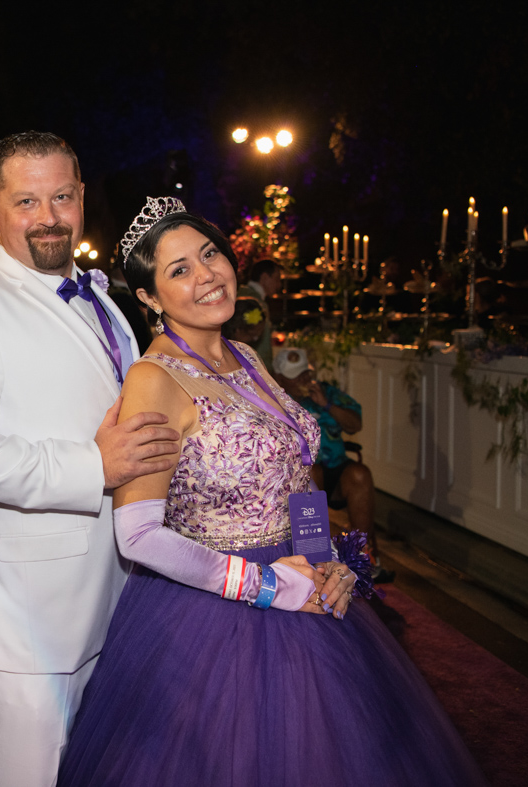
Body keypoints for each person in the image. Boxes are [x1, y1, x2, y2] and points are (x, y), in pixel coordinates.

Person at [57, 199, 485, 786]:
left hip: (301, 576)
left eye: (210, 254)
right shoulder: (153, 380)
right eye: (179, 269)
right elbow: (137, 535)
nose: (207, 274)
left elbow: (297, 473)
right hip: (210, 608)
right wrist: (263, 586)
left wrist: (323, 557)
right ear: (150, 298)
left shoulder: (247, 355)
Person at [0, 131, 181, 786]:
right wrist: (93, 468)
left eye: (61, 196)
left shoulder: (107, 302)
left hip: (115, 596)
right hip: (23, 619)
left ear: (82, 197)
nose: (49, 217)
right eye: (26, 201)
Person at [273, 347, 393, 582]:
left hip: (336, 466)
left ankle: (361, 555)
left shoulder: (325, 392)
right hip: (297, 474)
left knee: (360, 474)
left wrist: (326, 405)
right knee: (311, 472)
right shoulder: (273, 398)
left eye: (304, 373)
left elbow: (355, 424)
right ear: (278, 377)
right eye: (294, 376)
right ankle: (316, 557)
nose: (303, 380)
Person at [240, 257, 281, 370]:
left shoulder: (241, 293)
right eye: (276, 279)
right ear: (264, 277)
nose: (278, 285)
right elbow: (262, 346)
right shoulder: (255, 304)